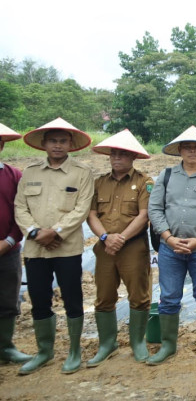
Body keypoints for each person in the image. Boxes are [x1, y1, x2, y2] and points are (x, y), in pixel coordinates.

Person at [14, 118, 94, 375]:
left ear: (70, 144)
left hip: (66, 247)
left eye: (62, 141)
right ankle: (44, 351)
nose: (57, 146)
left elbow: (82, 208)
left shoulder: (81, 173)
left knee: (73, 297)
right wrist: (36, 232)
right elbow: (20, 207)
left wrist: (55, 231)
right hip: (36, 248)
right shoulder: (30, 172)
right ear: (44, 144)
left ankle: (74, 350)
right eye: (53, 141)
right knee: (39, 298)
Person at [147, 126, 196, 365]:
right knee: (169, 296)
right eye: (187, 147)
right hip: (169, 249)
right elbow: (155, 209)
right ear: (180, 150)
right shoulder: (166, 175)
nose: (192, 151)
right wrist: (169, 238)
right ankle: (168, 345)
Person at [86, 130, 155, 366]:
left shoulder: (144, 182)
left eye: (123, 154)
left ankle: (137, 342)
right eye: (114, 154)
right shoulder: (99, 183)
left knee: (139, 295)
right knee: (104, 295)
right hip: (105, 248)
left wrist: (121, 238)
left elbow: (145, 215)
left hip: (133, 247)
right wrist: (106, 237)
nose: (117, 158)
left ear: (132, 157)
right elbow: (92, 214)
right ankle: (108, 344)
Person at [0, 122, 31, 367]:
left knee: (8, 300)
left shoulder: (14, 175)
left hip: (7, 249)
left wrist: (10, 240)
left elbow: (20, 211)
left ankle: (5, 347)